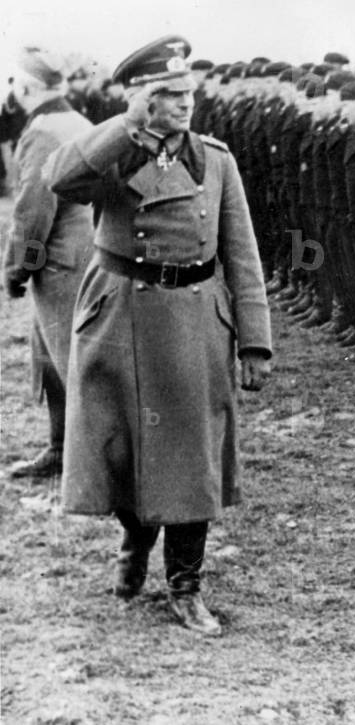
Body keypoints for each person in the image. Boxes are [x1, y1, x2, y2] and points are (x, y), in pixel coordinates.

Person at [47, 35, 272, 636]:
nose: (183, 104)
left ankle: (186, 584)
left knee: (191, 456)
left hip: (194, 318)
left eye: (187, 93)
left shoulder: (215, 159)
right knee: (122, 445)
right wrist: (124, 125)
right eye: (168, 95)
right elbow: (60, 178)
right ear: (141, 99)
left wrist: (254, 341)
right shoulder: (114, 153)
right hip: (120, 313)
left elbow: (242, 255)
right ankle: (133, 544)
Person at [2, 46, 94, 480]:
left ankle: (76, 456)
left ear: (28, 86)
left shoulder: (42, 131)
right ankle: (63, 449)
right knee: (59, 357)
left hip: (61, 263)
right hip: (88, 256)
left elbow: (34, 212)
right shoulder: (77, 120)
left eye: (15, 84)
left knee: (64, 359)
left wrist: (18, 270)